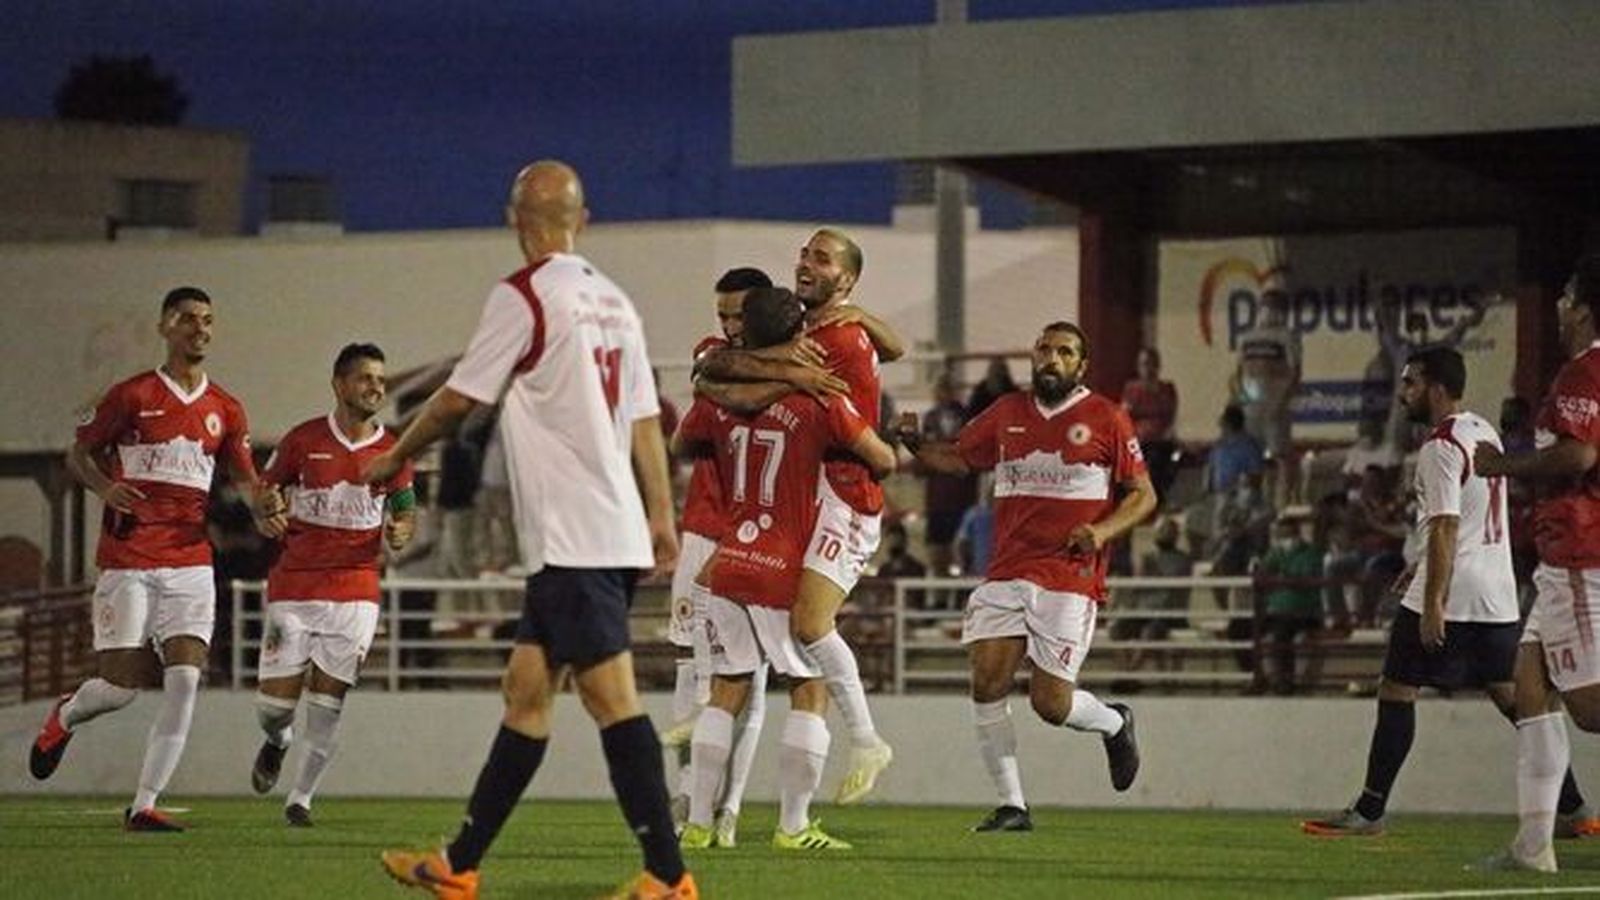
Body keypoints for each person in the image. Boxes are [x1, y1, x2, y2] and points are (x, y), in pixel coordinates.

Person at [371, 161, 695, 900]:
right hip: (598, 529)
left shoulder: (523, 296)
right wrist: (661, 514)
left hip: (576, 535)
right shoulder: (615, 301)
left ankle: (669, 878)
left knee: (613, 699)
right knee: (525, 691)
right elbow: (646, 417)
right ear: (584, 216)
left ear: (516, 218)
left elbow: (458, 400)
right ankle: (457, 866)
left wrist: (393, 455)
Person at [1305, 347, 1595, 841]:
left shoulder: (1440, 446)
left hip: (1454, 589)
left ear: (1437, 387)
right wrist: (1418, 565)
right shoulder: (1481, 430)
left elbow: (1445, 527)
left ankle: (1370, 810)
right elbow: (1472, 513)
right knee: (1515, 698)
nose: (1403, 394)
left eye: (1411, 383)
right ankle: (1573, 808)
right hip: (1496, 592)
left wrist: (1433, 598)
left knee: (1396, 688)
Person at [30, 286, 274, 832]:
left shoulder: (225, 408)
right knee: (119, 688)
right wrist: (103, 487)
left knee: (186, 678)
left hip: (190, 560)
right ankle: (65, 716)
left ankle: (143, 804)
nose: (199, 329)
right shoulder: (132, 395)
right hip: (129, 559)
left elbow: (245, 478)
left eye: (208, 321)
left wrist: (267, 508)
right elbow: (79, 453)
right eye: (188, 319)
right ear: (165, 327)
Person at [896, 320, 1155, 832]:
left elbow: (1143, 495)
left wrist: (1102, 533)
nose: (1050, 359)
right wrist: (913, 442)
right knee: (987, 681)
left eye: (1063, 352)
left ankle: (1113, 721)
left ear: (1080, 366)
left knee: (1050, 704)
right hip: (1007, 570)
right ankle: (1013, 805)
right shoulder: (1008, 411)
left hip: (1069, 575)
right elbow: (955, 459)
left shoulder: (1106, 417)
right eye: (1043, 349)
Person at [675, 285, 897, 852]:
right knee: (808, 685)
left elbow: (683, 442)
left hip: (730, 560)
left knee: (728, 689)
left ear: (746, 332)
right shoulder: (820, 400)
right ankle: (794, 827)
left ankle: (698, 825)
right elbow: (883, 459)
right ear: (800, 334)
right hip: (780, 562)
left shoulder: (720, 397)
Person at [247, 343, 417, 827]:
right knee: (274, 708)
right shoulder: (303, 440)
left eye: (380, 380)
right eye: (365, 378)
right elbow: (264, 489)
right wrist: (269, 509)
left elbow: (405, 509)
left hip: (356, 591)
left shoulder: (393, 449)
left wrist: (403, 529)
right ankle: (276, 742)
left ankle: (300, 799)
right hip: (294, 589)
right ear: (339, 384)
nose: (376, 388)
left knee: (327, 704)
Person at [1473, 258, 1600, 872]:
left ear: (1580, 304)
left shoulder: (1584, 372)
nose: (1558, 303)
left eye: (1567, 293)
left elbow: (1578, 455)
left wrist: (1502, 465)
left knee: (1589, 707)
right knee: (1531, 686)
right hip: (1562, 557)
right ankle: (1534, 845)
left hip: (1581, 550)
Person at [660, 265, 774, 848]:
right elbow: (682, 441)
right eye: (722, 315)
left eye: (740, 315)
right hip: (705, 528)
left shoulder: (788, 359)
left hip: (767, 537)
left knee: (749, 680)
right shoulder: (714, 355)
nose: (729, 326)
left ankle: (729, 809)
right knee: (690, 667)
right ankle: (690, 798)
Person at [1228, 294, 1301, 506]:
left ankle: (1282, 503)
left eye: (1275, 306)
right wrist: (1241, 399)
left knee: (1281, 456)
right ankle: (1253, 502)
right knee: (1252, 457)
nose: (1270, 310)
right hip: (1250, 408)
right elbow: (1238, 373)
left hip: (1276, 407)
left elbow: (1296, 373)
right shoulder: (1247, 337)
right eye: (1266, 306)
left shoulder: (1288, 337)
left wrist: (1283, 401)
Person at [1254, 517, 1322, 694]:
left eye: (1287, 533)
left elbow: (1303, 581)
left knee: (1281, 632)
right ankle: (1260, 679)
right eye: (1280, 533)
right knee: (1242, 629)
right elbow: (1262, 576)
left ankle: (1285, 681)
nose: (1283, 537)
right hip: (1275, 611)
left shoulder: (1310, 553)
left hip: (1302, 612)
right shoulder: (1274, 552)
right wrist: (1279, 578)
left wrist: (1280, 577)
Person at [920, 374, 976, 575]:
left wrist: (941, 451)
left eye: (947, 389)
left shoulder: (967, 416)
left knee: (961, 546)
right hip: (937, 497)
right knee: (937, 548)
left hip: (962, 495)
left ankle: (961, 594)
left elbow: (967, 450)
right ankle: (940, 598)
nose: (942, 394)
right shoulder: (930, 418)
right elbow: (925, 451)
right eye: (940, 390)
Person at [1122, 347, 1178, 507]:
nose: (1148, 368)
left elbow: (1170, 415)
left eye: (1151, 364)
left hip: (1161, 440)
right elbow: (1124, 416)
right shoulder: (1132, 389)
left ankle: (1157, 500)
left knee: (1169, 459)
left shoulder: (1167, 389)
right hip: (1139, 441)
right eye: (1144, 364)